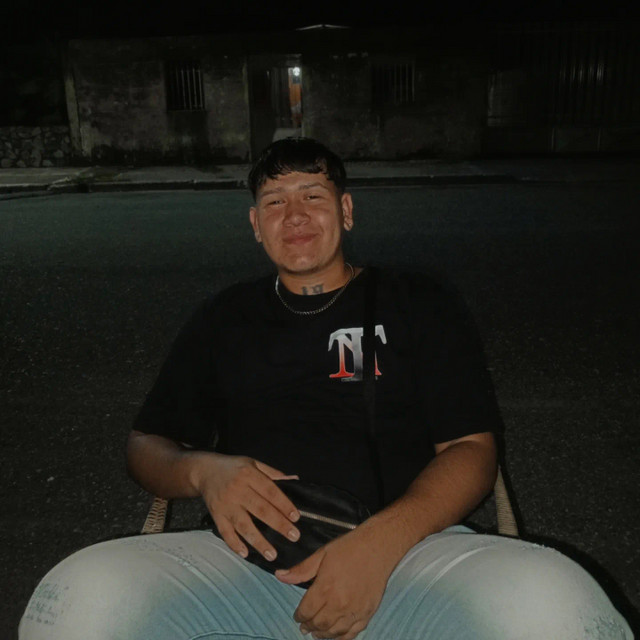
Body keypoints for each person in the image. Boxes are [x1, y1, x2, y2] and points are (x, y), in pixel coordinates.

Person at [20, 138, 633, 640]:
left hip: (410, 557)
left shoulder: (416, 302)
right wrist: (204, 472)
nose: (294, 215)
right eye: (275, 201)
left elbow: (472, 449)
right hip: (244, 569)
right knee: (77, 602)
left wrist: (378, 547)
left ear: (346, 210)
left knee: (556, 606)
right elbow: (147, 446)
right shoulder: (223, 318)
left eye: (313, 195)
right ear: (255, 225)